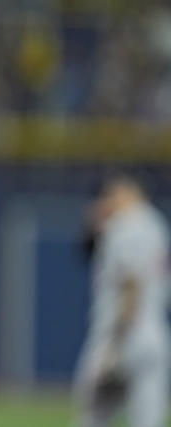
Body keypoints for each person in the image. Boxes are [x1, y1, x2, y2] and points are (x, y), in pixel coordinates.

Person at [74, 174, 171, 427]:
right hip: (154, 336)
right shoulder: (156, 224)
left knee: (93, 416)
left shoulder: (126, 226)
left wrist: (115, 343)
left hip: (122, 334)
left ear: (123, 194)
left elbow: (131, 283)